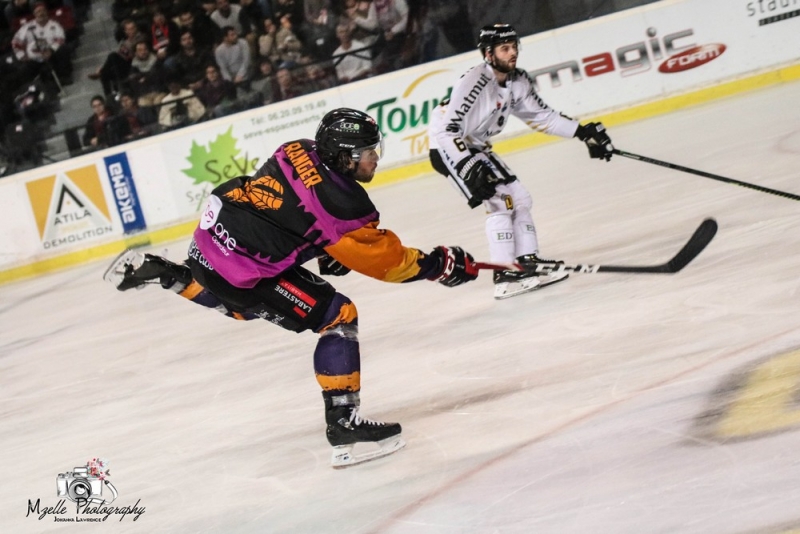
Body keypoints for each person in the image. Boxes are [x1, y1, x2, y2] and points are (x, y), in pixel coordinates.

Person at [104, 108, 479, 467]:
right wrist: (439, 264)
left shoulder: (297, 148)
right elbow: (388, 263)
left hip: (208, 240)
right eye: (367, 152)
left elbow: (291, 211)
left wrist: (326, 248)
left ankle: (166, 272)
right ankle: (343, 422)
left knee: (245, 305)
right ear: (344, 157)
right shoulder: (344, 206)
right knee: (338, 317)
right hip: (240, 265)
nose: (374, 159)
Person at [428, 24, 614, 300]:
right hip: (449, 148)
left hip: (476, 147)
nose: (513, 52)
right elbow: (446, 129)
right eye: (505, 48)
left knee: (521, 199)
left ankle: (526, 260)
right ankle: (505, 271)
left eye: (514, 46)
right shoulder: (476, 81)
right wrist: (466, 166)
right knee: (498, 202)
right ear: (488, 54)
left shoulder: (518, 81)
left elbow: (544, 117)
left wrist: (582, 132)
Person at [10, 2, 73, 82]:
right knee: (22, 70)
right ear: (34, 14)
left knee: (63, 49)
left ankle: (64, 77)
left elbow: (61, 39)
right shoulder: (27, 27)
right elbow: (15, 42)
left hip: (51, 55)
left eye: (43, 11)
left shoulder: (54, 25)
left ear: (46, 12)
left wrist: (51, 50)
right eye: (38, 12)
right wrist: (22, 55)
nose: (41, 13)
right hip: (33, 59)